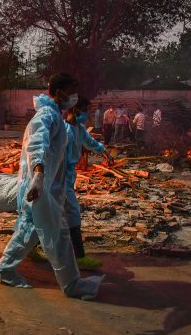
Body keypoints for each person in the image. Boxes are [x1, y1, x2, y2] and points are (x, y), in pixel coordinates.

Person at [0, 72, 105, 301]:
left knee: (31, 231)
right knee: (57, 235)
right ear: (59, 91)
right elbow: (37, 146)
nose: (75, 95)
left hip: (47, 187)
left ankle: (5, 269)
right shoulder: (46, 116)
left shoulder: (57, 116)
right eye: (72, 90)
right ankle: (71, 285)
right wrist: (39, 175)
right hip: (39, 186)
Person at [64, 97, 113, 267]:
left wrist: (104, 151)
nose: (87, 114)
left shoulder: (79, 128)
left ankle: (30, 247)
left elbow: (90, 142)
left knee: (52, 214)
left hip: (67, 177)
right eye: (85, 110)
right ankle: (79, 257)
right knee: (72, 213)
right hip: (59, 179)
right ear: (75, 110)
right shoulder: (65, 131)